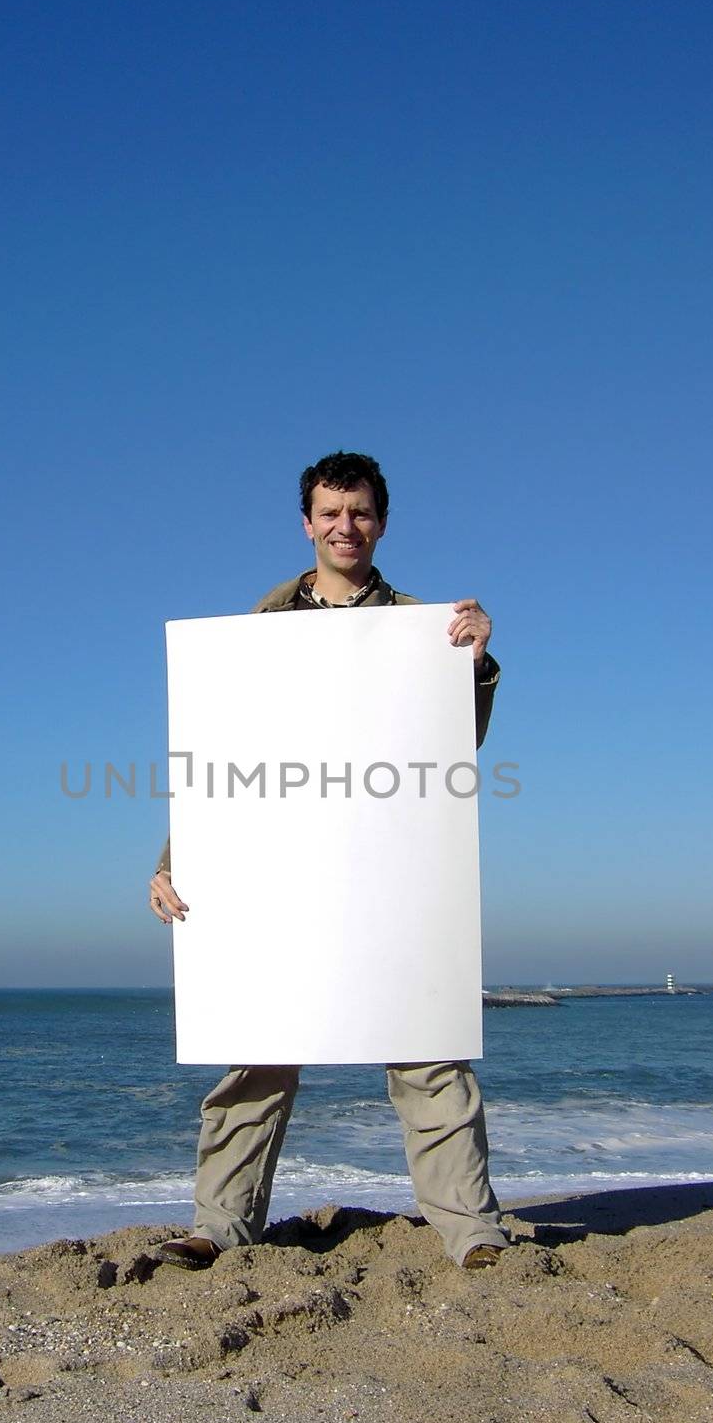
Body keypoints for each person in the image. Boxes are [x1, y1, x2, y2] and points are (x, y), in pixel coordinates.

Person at [148, 451, 509, 1271]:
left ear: (382, 521)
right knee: (256, 1050)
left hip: (392, 871)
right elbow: (221, 767)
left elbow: (460, 741)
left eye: (362, 512)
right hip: (283, 879)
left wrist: (476, 661)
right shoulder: (254, 632)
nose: (346, 527)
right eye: (330, 513)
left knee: (426, 1041)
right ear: (308, 523)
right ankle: (220, 1226)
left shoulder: (430, 629)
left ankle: (472, 1231)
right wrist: (174, 861)